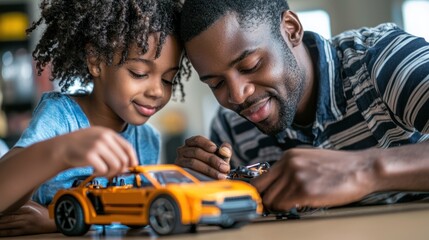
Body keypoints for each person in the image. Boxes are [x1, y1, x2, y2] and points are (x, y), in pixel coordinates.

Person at [175, 0, 429, 212]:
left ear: (291, 29)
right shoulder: (230, 128)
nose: (238, 97)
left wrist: (363, 169)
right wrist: (195, 187)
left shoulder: (385, 59)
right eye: (216, 83)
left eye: (250, 66)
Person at [0, 0, 190, 236]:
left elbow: (140, 216)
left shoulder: (147, 139)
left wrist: (54, 220)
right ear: (96, 60)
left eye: (168, 80)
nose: (158, 91)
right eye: (139, 73)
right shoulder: (61, 117)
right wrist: (61, 151)